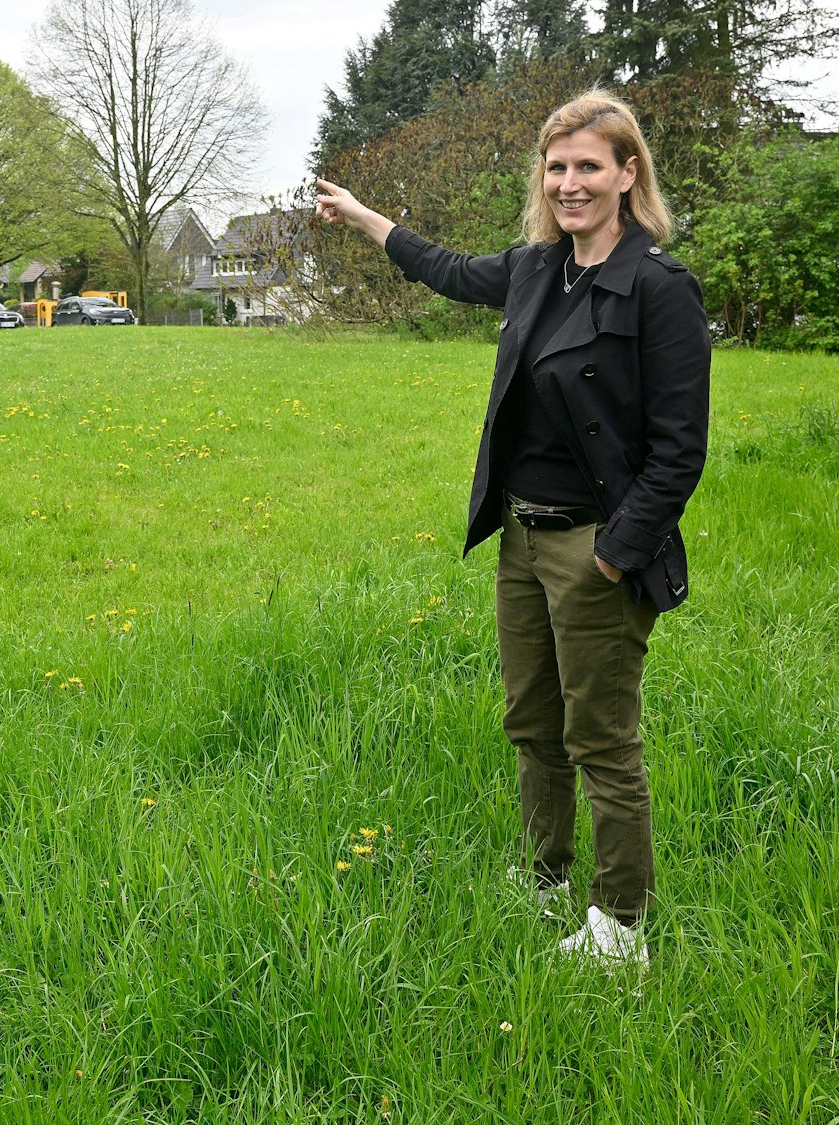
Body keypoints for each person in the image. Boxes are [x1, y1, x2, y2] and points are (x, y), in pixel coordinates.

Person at [315, 91, 709, 967]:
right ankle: (545, 878)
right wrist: (361, 215)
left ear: (627, 172)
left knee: (599, 736)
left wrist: (612, 556)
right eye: (557, 167)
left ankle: (620, 927)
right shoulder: (538, 268)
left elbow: (681, 453)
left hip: (594, 545)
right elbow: (446, 268)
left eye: (589, 167)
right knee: (531, 723)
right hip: (522, 540)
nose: (570, 183)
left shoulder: (658, 288)